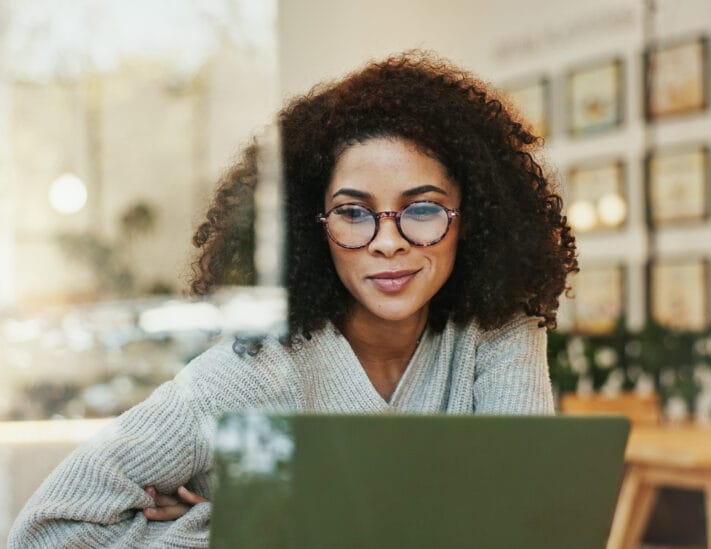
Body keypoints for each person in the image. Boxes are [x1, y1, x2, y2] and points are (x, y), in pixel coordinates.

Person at [9, 51, 577, 547]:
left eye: (422, 208)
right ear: (311, 227)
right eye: (353, 212)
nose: (387, 242)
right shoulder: (257, 371)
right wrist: (230, 535)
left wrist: (271, 520)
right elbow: (45, 532)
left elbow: (527, 525)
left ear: (471, 218)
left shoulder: (498, 333)